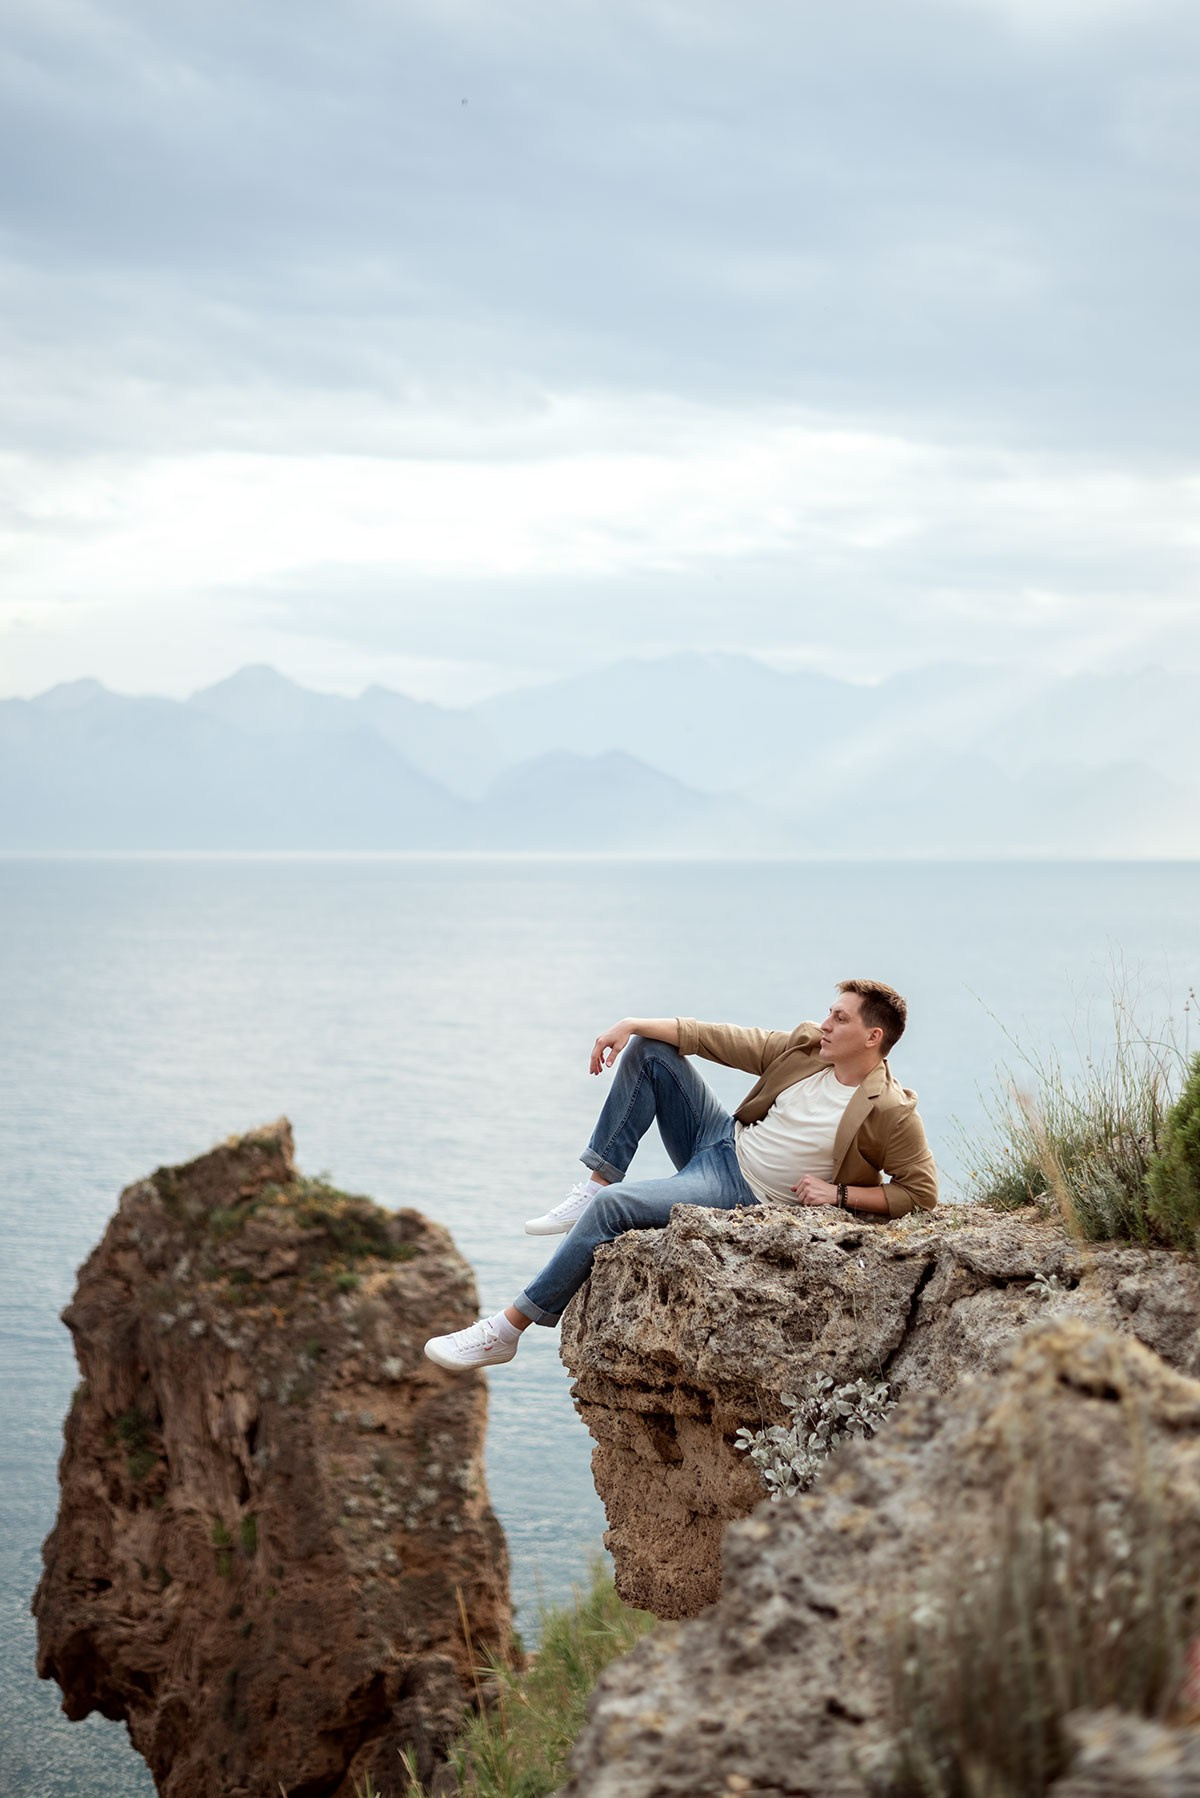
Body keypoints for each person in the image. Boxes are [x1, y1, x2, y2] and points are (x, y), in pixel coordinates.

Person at [423, 978, 937, 1372]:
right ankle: (595, 1182)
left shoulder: (889, 1109)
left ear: (872, 1036)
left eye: (839, 1018)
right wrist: (631, 1023)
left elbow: (919, 1192)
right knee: (650, 1052)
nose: (825, 1023)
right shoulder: (806, 1050)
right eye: (828, 1012)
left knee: (616, 1209)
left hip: (740, 1190)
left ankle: (505, 1331)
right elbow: (715, 1038)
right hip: (718, 1139)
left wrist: (840, 1194)